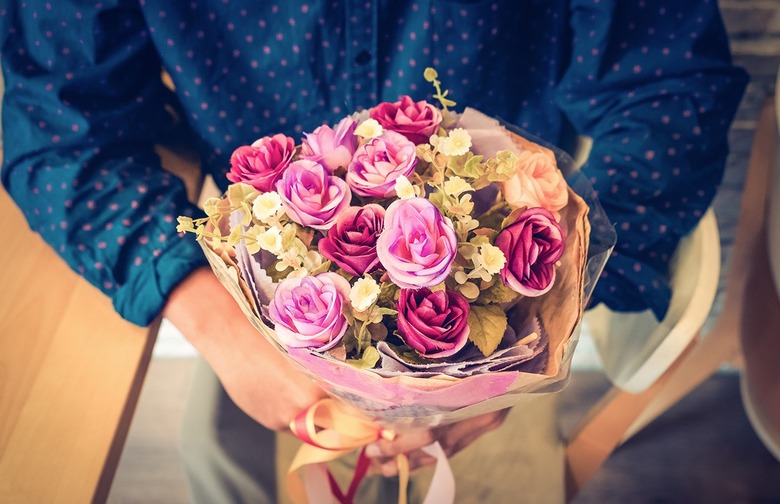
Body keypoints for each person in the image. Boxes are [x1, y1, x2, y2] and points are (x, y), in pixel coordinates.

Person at [0, 1, 747, 502]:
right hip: (259, 295)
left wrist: (512, 344)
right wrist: (219, 328)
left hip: (503, 308)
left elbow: (669, 89)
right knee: (220, 458)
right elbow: (58, 123)